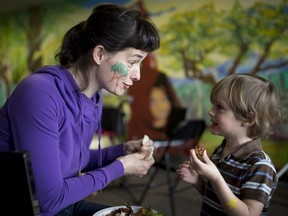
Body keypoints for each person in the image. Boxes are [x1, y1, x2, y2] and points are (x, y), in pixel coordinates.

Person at [0, 3, 160, 216]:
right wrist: (120, 167)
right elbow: (48, 200)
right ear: (100, 54)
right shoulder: (39, 92)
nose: (137, 75)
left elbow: (74, 160)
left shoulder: (92, 98)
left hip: (64, 205)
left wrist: (121, 151)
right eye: (133, 62)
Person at [177, 73, 281, 215]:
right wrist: (197, 181)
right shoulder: (221, 151)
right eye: (213, 104)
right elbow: (216, 196)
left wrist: (215, 177)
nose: (210, 111)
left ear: (248, 119)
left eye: (219, 107)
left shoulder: (260, 166)